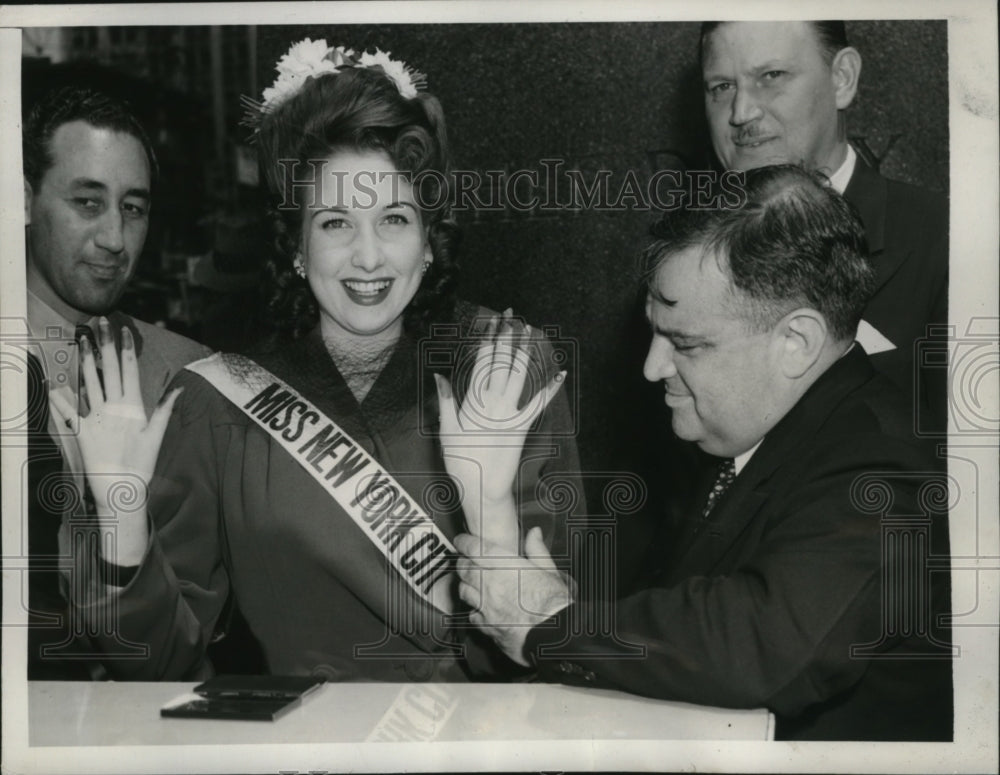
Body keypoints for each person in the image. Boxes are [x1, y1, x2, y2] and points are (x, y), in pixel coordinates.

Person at [54, 40, 578, 682]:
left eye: (394, 218)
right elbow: (165, 664)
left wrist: (491, 517)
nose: (368, 257)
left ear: (430, 238)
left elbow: (557, 655)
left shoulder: (502, 364)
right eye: (334, 223)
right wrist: (121, 526)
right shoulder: (218, 401)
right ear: (296, 246)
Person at [455, 165, 952, 741]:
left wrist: (553, 623)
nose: (651, 367)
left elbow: (767, 647)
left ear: (796, 342)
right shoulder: (749, 439)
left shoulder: (883, 465)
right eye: (654, 334)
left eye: (685, 343)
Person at [22, 86, 209, 679]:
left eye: (133, 208)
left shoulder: (185, 376)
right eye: (86, 202)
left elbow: (184, 649)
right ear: (23, 199)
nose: (113, 239)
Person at [700, 21, 948, 436]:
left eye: (771, 77)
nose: (742, 112)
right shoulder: (685, 254)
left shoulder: (944, 238)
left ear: (843, 79)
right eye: (722, 87)